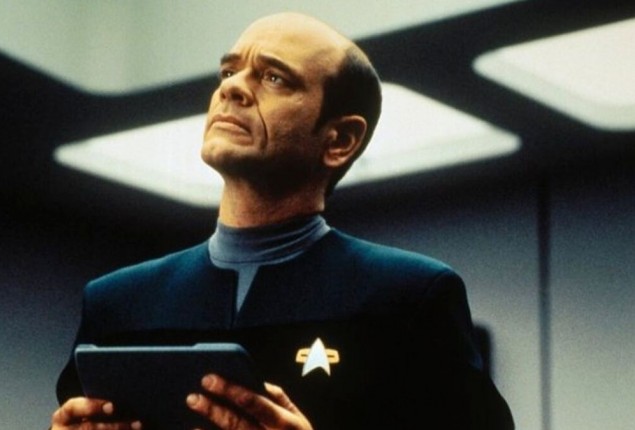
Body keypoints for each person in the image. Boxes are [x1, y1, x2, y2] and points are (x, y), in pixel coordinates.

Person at [50, 11, 514, 430]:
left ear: (340, 140)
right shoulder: (117, 305)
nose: (232, 88)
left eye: (274, 77)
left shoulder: (409, 300)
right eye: (228, 71)